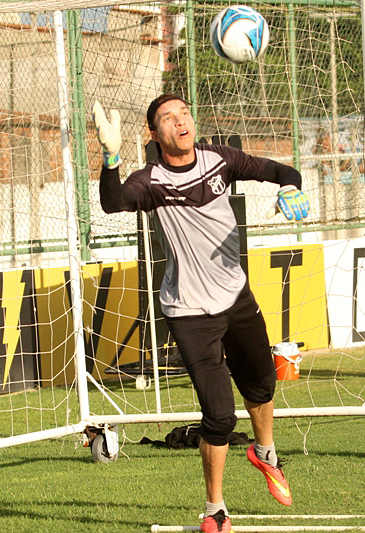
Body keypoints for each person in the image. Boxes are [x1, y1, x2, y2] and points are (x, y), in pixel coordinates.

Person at [93, 94, 309, 533]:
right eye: (168, 119)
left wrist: (290, 187)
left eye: (184, 114)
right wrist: (111, 157)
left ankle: (265, 452)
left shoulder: (220, 160)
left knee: (263, 383)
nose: (180, 122)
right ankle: (215, 508)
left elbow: (280, 170)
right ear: (154, 134)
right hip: (189, 311)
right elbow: (113, 202)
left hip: (236, 297)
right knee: (220, 415)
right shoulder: (149, 180)